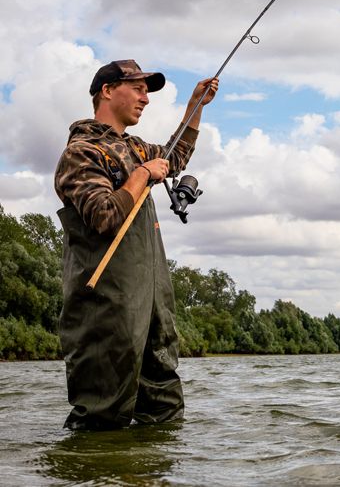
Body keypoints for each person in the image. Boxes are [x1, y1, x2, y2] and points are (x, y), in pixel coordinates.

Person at [54, 59, 218, 430]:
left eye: (147, 91)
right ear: (108, 91)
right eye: (138, 89)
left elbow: (176, 155)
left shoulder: (136, 148)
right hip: (105, 306)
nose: (146, 99)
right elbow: (103, 215)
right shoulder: (81, 153)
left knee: (163, 406)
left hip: (150, 301)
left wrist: (195, 106)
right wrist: (143, 173)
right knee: (101, 415)